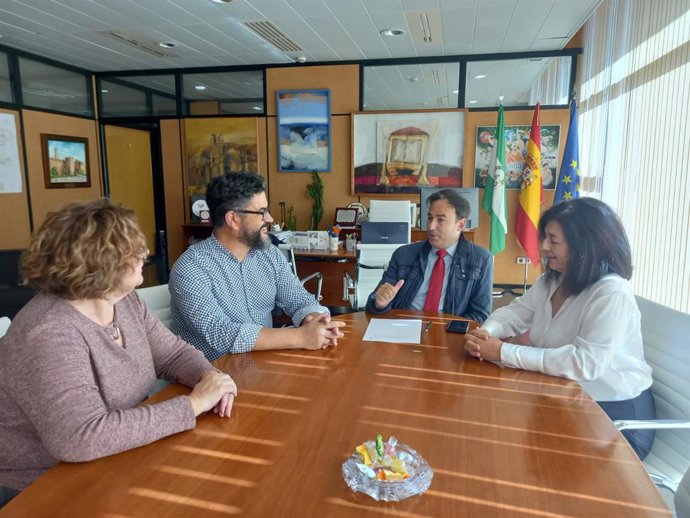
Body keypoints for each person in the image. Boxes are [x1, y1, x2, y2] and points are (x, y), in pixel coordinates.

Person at [0, 200, 237, 507]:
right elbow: (81, 437)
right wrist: (193, 404)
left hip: (112, 458)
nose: (144, 252)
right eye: (130, 248)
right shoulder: (49, 330)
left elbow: (172, 355)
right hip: (40, 485)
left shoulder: (124, 301)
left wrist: (211, 377)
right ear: (95, 263)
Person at [464, 197, 655, 459]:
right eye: (544, 238)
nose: (542, 247)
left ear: (584, 244)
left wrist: (502, 352)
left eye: (553, 241)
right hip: (564, 397)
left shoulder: (611, 292)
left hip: (613, 414)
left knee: (536, 460)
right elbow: (515, 312)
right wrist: (486, 333)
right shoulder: (552, 280)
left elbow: (585, 363)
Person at [169, 172, 345, 361]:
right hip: (210, 377)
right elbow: (220, 333)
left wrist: (317, 321)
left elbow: (298, 298)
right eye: (262, 212)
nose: (269, 219)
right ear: (233, 219)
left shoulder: (269, 254)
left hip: (263, 364)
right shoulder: (190, 268)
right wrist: (301, 336)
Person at [365, 189, 493, 322]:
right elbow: (373, 302)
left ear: (460, 224)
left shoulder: (481, 259)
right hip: (403, 328)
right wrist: (380, 303)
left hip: (449, 332)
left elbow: (480, 315)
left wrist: (450, 330)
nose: (431, 226)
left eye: (440, 220)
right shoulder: (403, 255)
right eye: (430, 218)